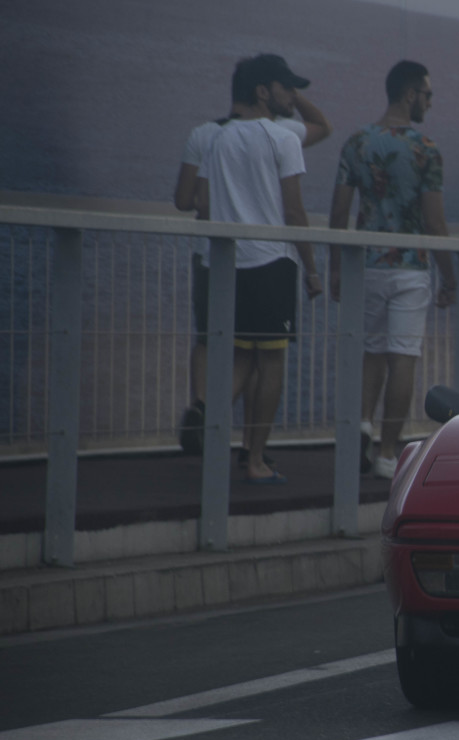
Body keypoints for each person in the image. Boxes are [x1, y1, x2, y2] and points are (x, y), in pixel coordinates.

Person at [175, 57, 331, 460]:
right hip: (271, 263)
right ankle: (255, 458)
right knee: (273, 362)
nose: (292, 97)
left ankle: (207, 414)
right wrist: (312, 270)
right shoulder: (283, 139)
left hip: (229, 263)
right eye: (286, 88)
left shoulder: (217, 138)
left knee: (240, 354)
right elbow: (295, 213)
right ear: (263, 92)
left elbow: (202, 203)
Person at [328, 60, 458, 479]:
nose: (430, 103)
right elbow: (435, 222)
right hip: (410, 267)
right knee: (403, 356)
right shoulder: (425, 149)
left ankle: (362, 423)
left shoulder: (357, 143)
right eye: (428, 95)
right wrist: (449, 277)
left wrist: (335, 268)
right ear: (410, 94)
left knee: (370, 351)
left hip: (366, 263)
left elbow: (338, 214)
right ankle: (387, 454)